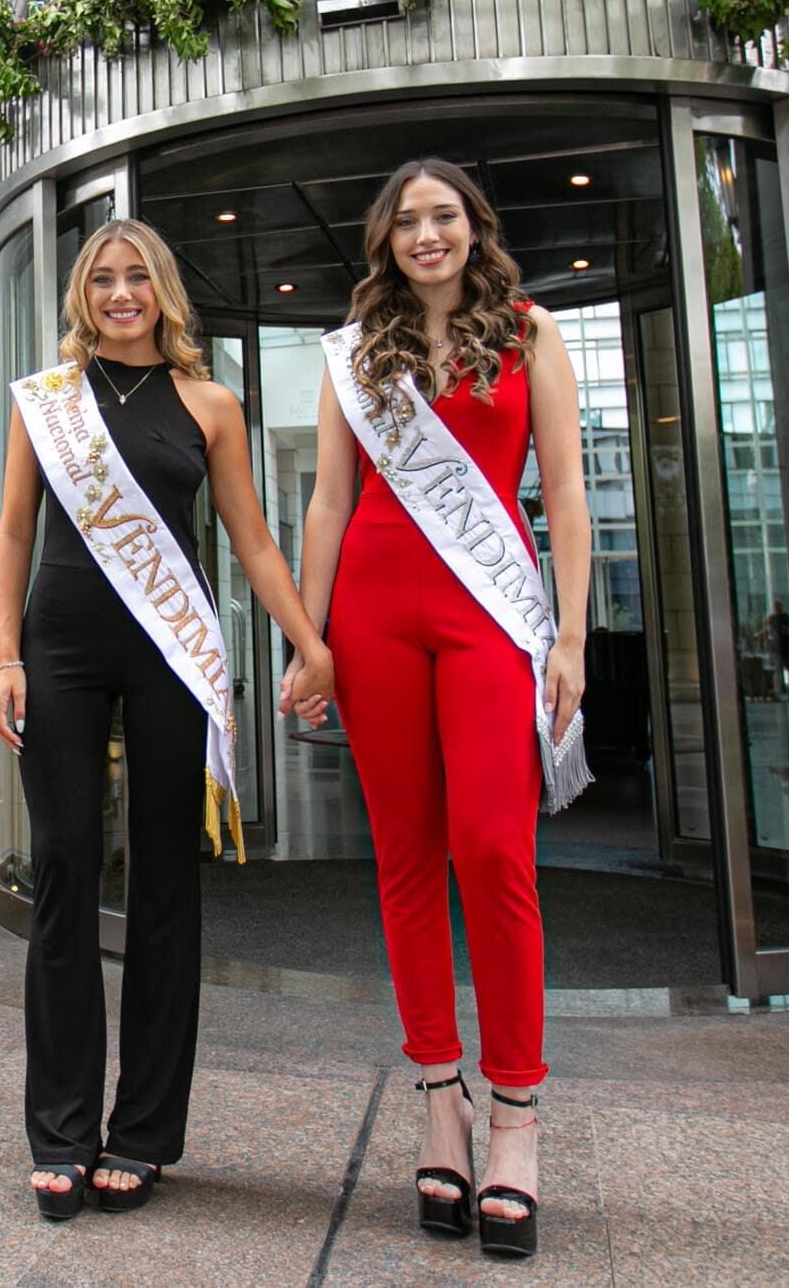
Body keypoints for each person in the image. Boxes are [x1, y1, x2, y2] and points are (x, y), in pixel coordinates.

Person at [0, 217, 337, 1222]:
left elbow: (256, 543)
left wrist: (305, 641)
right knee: (60, 869)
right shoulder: (46, 404)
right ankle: (60, 1130)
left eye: (137, 277)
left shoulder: (208, 403)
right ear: (81, 296)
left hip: (169, 656)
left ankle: (140, 1131)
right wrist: (5, 657)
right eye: (103, 279)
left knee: (163, 885)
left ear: (163, 290)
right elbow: (15, 529)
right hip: (56, 647)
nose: (120, 293)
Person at [297, 159, 590, 1262]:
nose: (427, 234)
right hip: (373, 610)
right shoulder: (353, 350)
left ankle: (513, 1113)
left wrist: (568, 637)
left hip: (487, 613)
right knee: (407, 856)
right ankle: (438, 1097)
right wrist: (311, 639)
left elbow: (562, 489)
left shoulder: (527, 333)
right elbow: (327, 498)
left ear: (473, 229)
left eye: (444, 216)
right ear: (383, 240)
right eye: (407, 221)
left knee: (492, 847)